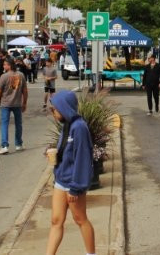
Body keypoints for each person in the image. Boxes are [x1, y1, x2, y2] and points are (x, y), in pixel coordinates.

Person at [46, 91, 96, 255]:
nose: (53, 113)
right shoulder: (67, 124)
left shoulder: (79, 127)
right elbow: (66, 151)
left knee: (80, 219)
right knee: (56, 220)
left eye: (54, 109)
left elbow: (83, 158)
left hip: (73, 183)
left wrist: (76, 187)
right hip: (61, 180)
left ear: (64, 108)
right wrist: (53, 154)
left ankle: (91, 254)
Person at [0, 59, 28, 155]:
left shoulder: (4, 76)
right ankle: (18, 144)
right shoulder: (21, 75)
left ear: (9, 65)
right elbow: (25, 91)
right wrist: (24, 103)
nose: (3, 66)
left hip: (5, 104)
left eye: (5, 64)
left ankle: (4, 146)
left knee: (4, 124)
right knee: (18, 124)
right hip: (17, 103)